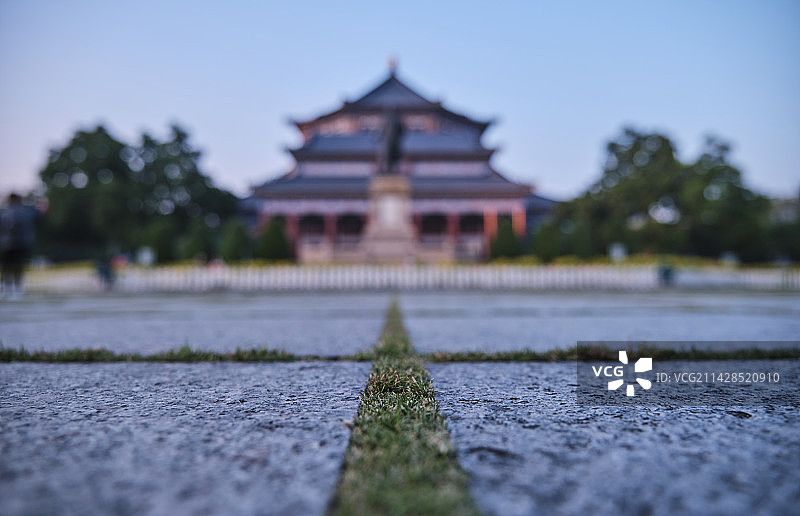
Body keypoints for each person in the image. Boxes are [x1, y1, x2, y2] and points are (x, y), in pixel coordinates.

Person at [1, 193, 39, 299]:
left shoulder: (5, 213)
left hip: (10, 244)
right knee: (16, 266)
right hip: (19, 244)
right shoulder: (26, 212)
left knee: (9, 266)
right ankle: (15, 287)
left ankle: (9, 286)